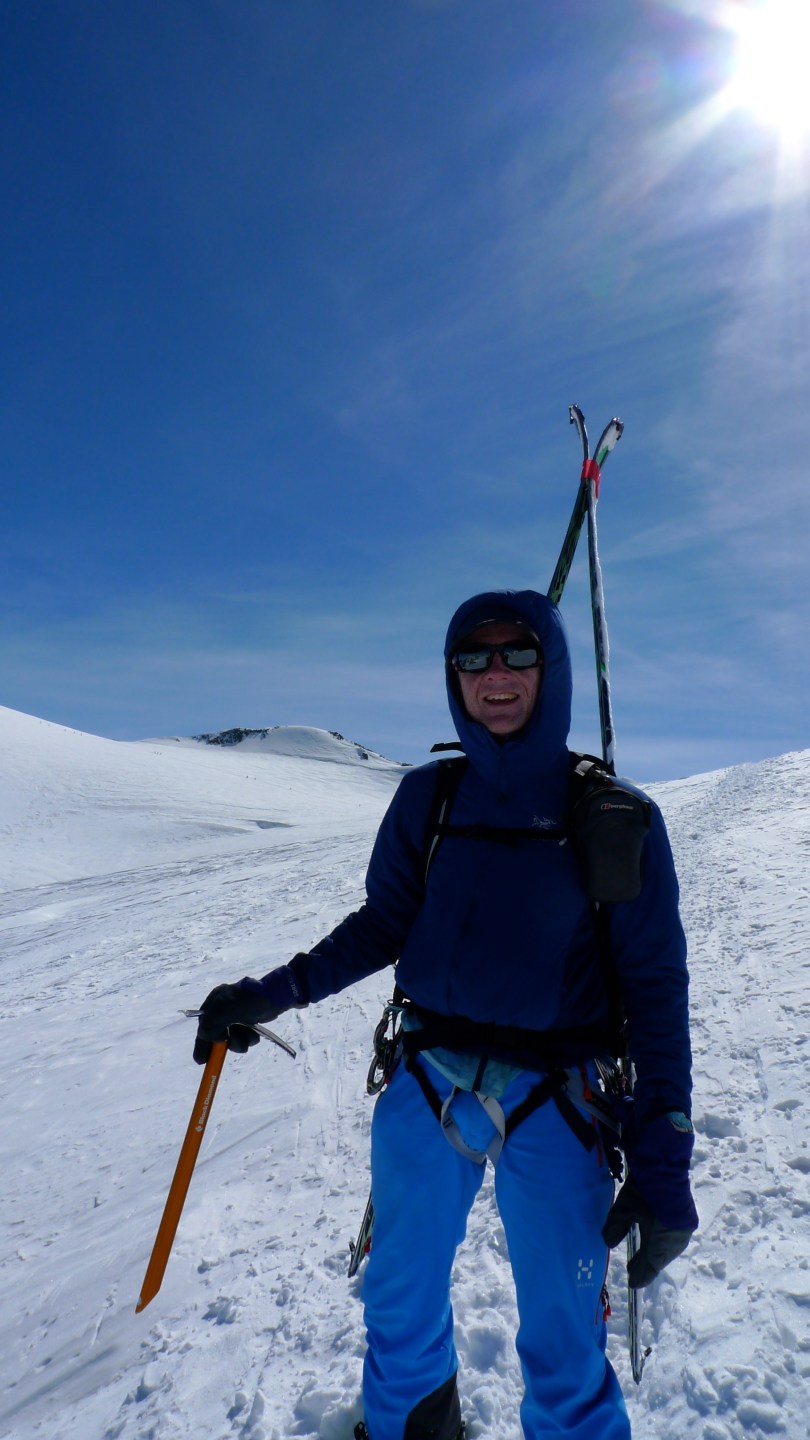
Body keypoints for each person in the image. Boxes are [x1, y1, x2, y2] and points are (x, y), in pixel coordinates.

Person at [194, 588, 698, 1440]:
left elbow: (655, 989)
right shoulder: (428, 800)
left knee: (566, 1327)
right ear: (452, 675)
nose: (494, 673)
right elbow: (382, 926)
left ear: (551, 667)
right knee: (397, 1295)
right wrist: (271, 993)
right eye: (473, 657)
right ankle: (409, 1425)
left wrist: (666, 1151)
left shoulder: (614, 818)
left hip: (561, 1095)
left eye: (517, 653)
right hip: (427, 1073)